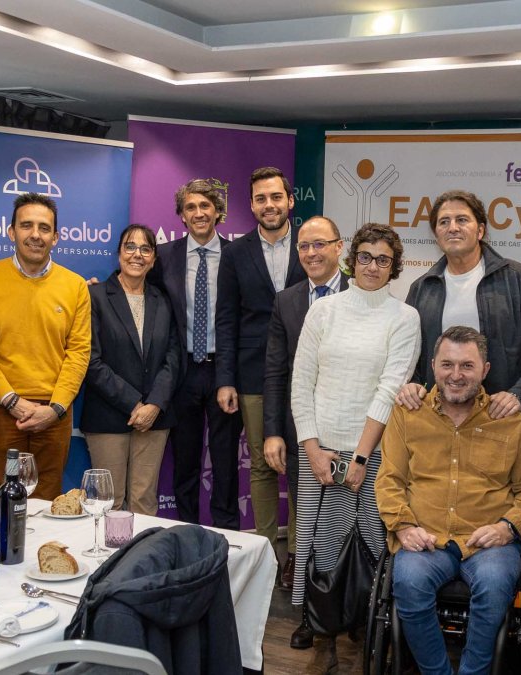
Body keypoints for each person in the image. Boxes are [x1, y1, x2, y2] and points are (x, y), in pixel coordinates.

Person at [377, 326, 521, 675]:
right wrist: (404, 525)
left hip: (490, 542)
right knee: (407, 584)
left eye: (467, 366)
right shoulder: (407, 414)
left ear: (484, 370)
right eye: (447, 365)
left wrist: (507, 527)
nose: (456, 375)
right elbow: (390, 479)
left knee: (495, 584)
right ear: (433, 367)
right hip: (425, 537)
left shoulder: (511, 422)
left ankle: (474, 671)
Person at [291, 223, 421, 673]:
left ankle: (363, 622)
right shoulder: (323, 312)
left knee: (369, 543)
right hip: (319, 450)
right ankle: (319, 624)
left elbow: (390, 390)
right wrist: (310, 447)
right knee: (317, 543)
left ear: (395, 267)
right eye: (365, 256)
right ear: (350, 259)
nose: (372, 266)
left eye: (383, 259)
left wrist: (362, 457)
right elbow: (301, 383)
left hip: (373, 453)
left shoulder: (404, 318)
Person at [0, 192, 91, 500]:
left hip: (55, 413)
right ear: (12, 232)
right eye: (27, 225)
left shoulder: (74, 285)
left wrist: (57, 408)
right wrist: (12, 401)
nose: (36, 234)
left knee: (48, 501)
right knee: (5, 500)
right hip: (2, 409)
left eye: (44, 228)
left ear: (56, 237)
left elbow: (78, 352)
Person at [262, 215, 349, 647]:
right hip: (303, 433)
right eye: (304, 247)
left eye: (320, 245)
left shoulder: (364, 291)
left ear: (339, 247)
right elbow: (276, 371)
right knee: (310, 527)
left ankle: (352, 612)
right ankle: (310, 617)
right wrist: (273, 431)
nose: (312, 254)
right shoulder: (288, 301)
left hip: (356, 433)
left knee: (356, 525)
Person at [217, 167, 307, 549]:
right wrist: (225, 378)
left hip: (308, 372)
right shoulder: (235, 253)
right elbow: (226, 317)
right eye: (260, 199)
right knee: (262, 464)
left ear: (289, 200)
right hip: (253, 374)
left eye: (275, 197)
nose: (268, 205)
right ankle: (267, 553)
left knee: (304, 466)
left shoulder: (310, 247)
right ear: (251, 205)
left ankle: (302, 555)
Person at [398, 189, 521, 420]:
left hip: (499, 418)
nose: (453, 227)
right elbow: (408, 355)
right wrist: (413, 385)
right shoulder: (422, 288)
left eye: (462, 220)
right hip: (438, 421)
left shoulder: (517, 279)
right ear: (437, 235)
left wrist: (519, 394)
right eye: (444, 222)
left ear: (481, 230)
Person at [149, 179, 243, 528]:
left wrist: (228, 377)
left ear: (218, 212)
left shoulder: (237, 255)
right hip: (182, 371)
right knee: (185, 461)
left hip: (224, 371)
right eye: (191, 207)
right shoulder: (164, 256)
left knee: (224, 462)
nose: (199, 213)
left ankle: (227, 537)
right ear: (181, 216)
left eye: (206, 206)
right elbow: (134, 286)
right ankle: (186, 532)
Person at [81, 225, 180, 514]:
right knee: (108, 503)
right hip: (107, 415)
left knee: (144, 501)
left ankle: (142, 559)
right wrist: (133, 403)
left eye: (145, 249)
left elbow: (173, 355)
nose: (137, 254)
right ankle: (111, 561)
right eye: (130, 247)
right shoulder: (95, 296)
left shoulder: (163, 300)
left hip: (154, 418)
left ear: (153, 259)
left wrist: (154, 404)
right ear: (119, 253)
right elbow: (90, 359)